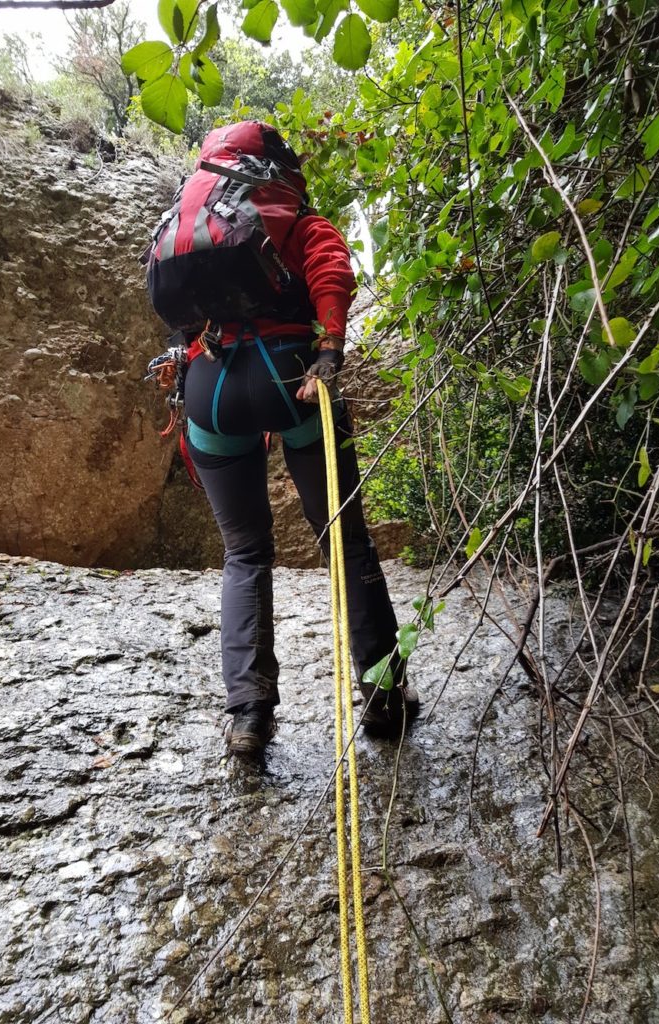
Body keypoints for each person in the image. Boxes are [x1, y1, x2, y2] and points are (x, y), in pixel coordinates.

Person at [170, 122, 419, 755]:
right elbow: (331, 268)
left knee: (245, 552)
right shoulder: (294, 216)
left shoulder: (198, 217)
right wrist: (329, 346)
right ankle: (385, 700)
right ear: (278, 167)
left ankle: (249, 716)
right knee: (343, 538)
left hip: (210, 387)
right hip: (292, 378)